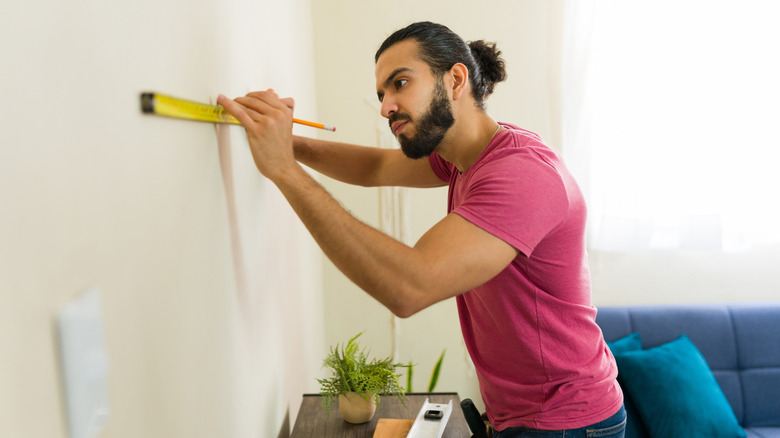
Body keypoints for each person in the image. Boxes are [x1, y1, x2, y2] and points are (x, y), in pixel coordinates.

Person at [218, 21, 625, 438]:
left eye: (400, 83)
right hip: (525, 416)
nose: (385, 107)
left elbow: (409, 286)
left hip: (568, 421)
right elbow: (375, 166)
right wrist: (287, 144)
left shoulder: (521, 174)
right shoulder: (463, 155)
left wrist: (283, 170)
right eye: (382, 94)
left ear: (455, 80)